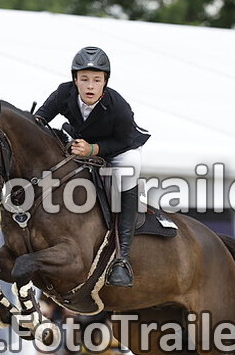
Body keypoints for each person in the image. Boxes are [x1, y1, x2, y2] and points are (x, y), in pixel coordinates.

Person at [35, 46, 150, 287]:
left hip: (121, 149)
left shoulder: (118, 106)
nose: (90, 86)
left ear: (104, 82)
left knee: (128, 171)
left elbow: (124, 140)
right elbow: (39, 120)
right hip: (81, 143)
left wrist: (93, 150)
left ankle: (122, 258)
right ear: (75, 79)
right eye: (84, 79)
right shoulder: (63, 93)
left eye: (96, 80)